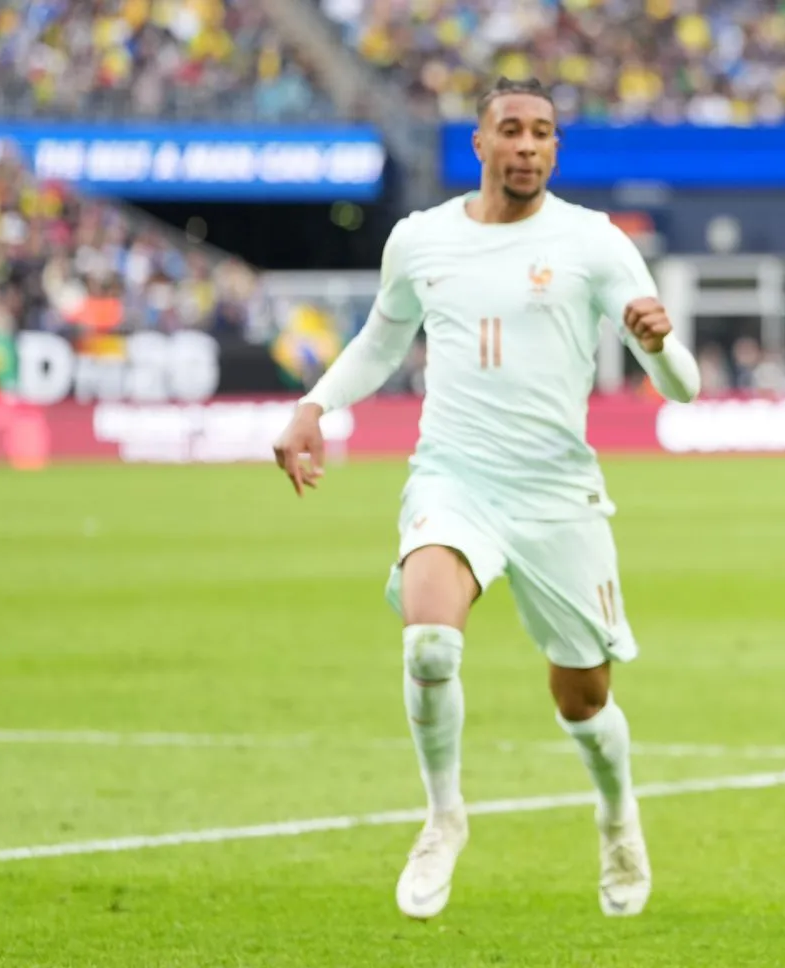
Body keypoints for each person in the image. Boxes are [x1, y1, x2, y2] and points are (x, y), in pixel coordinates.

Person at [271, 77, 701, 921]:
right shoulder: (421, 240)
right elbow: (380, 342)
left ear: (555, 149)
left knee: (584, 699)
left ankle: (618, 816)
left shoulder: (593, 242)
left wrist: (657, 347)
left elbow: (681, 386)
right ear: (480, 143)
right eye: (512, 129)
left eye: (543, 132)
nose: (528, 145)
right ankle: (443, 818)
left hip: (557, 494)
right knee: (430, 643)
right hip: (454, 476)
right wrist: (313, 406)